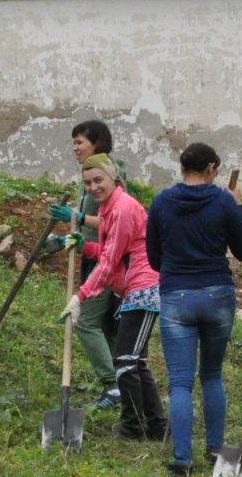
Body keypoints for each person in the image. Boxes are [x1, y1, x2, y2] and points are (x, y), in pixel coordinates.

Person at [147, 141, 242, 476]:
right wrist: (239, 210)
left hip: (177, 295)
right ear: (210, 168)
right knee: (211, 374)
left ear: (183, 168)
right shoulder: (223, 200)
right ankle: (215, 447)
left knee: (180, 382)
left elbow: (153, 257)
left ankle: (182, 459)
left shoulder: (162, 202)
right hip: (217, 294)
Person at [61, 153, 166, 441]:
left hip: (144, 288)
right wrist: (85, 246)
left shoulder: (122, 209)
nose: (94, 187)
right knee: (135, 361)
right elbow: (110, 253)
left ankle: (133, 428)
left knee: (126, 360)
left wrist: (80, 297)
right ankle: (157, 427)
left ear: (113, 178)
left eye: (99, 180)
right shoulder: (108, 210)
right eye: (88, 183)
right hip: (131, 288)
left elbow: (109, 265)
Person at [44, 119, 122, 411]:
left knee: (86, 322)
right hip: (92, 255)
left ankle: (113, 387)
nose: (75, 148)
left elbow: (113, 222)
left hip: (108, 260)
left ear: (97, 141)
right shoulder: (89, 176)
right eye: (73, 143)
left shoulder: (111, 175)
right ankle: (124, 384)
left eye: (80, 142)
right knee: (107, 325)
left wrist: (73, 217)